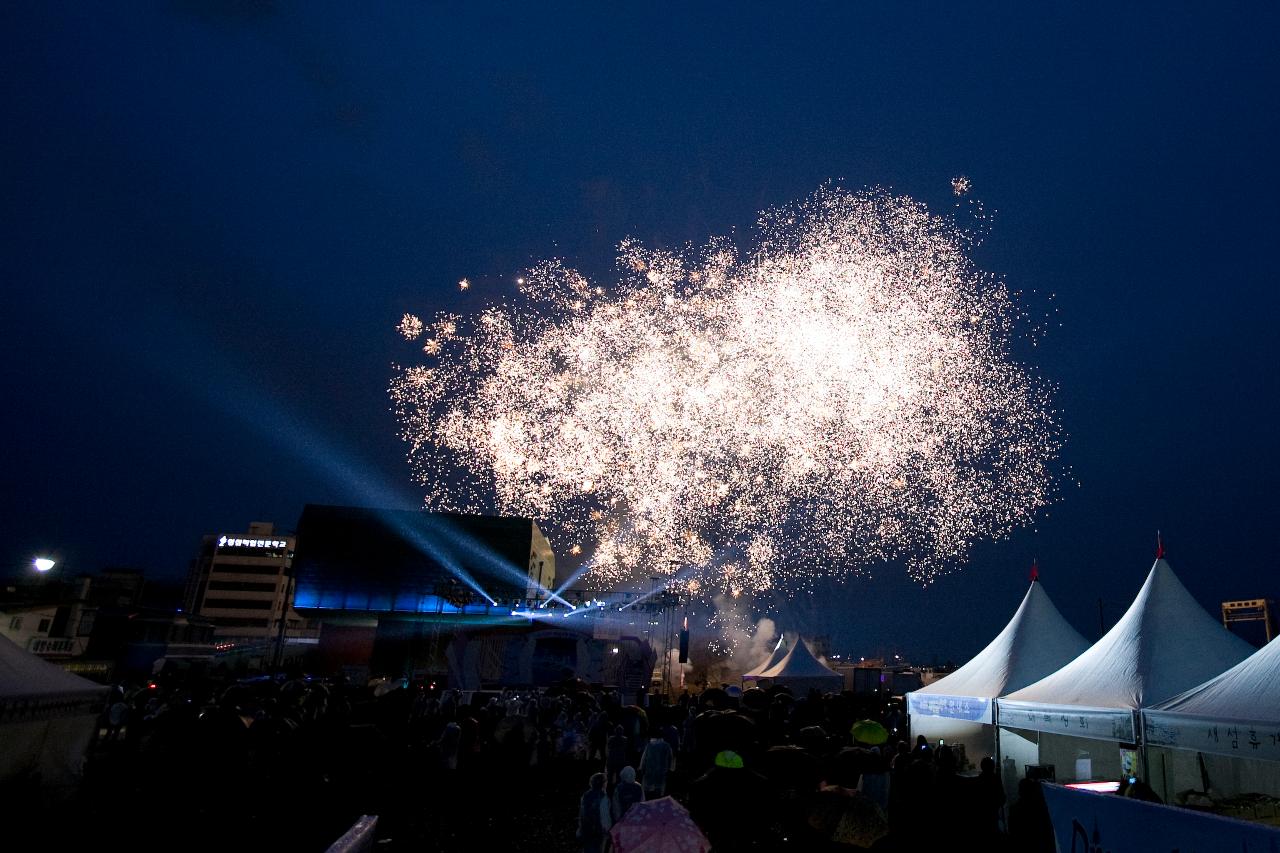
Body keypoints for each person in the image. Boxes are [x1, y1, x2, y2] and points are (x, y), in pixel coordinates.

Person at [577, 772, 612, 853]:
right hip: (598, 831)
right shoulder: (603, 797)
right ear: (602, 783)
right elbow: (604, 816)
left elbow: (582, 813)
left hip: (586, 828)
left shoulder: (585, 795)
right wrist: (608, 829)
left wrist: (580, 827)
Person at [638, 734, 674, 798]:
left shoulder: (650, 745)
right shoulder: (666, 745)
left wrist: (642, 768)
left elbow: (644, 758)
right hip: (661, 770)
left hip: (650, 769)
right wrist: (670, 769)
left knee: (648, 789)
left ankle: (648, 800)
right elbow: (670, 758)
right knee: (658, 788)